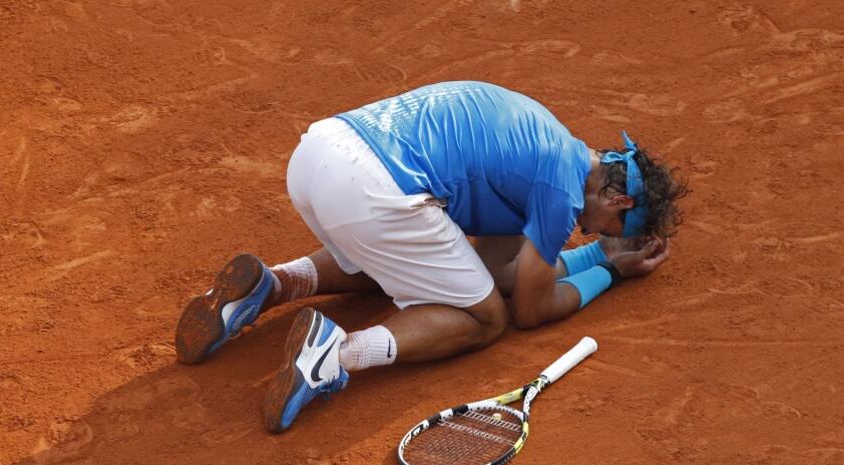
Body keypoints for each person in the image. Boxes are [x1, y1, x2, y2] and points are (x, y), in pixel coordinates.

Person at [174, 81, 687, 433]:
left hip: (318, 156)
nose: (589, 231)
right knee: (485, 319)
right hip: (373, 192)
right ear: (619, 201)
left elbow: (495, 271)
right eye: (609, 228)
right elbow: (527, 311)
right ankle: (336, 355)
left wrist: (597, 255)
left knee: (417, 260)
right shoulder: (562, 193)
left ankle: (273, 283)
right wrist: (607, 270)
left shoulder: (543, 134)